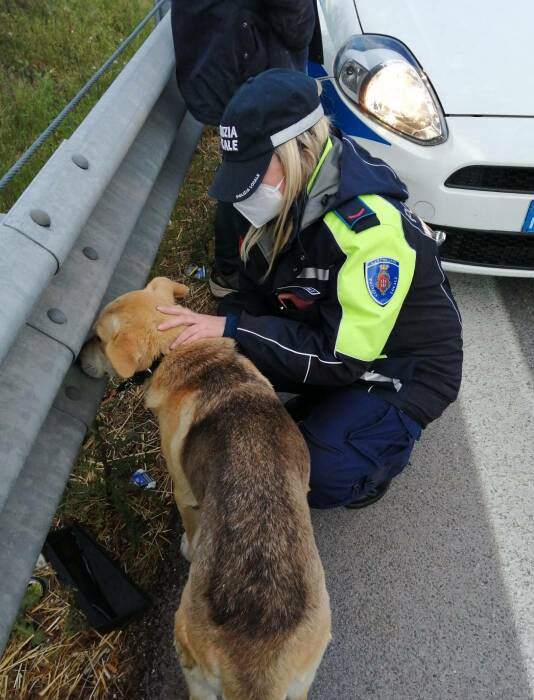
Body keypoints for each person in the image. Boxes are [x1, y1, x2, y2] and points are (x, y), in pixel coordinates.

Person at [157, 69, 463, 510]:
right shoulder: (285, 195)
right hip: (326, 331)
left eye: (254, 171)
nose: (247, 193)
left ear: (298, 149)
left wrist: (230, 328)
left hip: (402, 367)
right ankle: (326, 407)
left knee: (313, 478)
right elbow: (253, 296)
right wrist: (218, 335)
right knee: (229, 366)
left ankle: (381, 457)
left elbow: (342, 358)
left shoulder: (369, 233)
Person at [170, 0, 318, 298]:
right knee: (259, 169)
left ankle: (233, 268)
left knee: (243, 163)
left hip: (218, 54)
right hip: (251, 60)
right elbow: (294, 24)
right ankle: (237, 269)